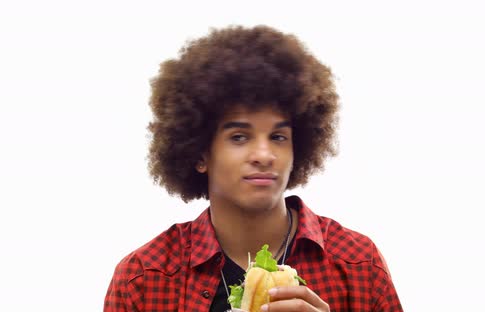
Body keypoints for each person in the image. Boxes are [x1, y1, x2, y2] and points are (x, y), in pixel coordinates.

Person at [104, 25, 403, 312]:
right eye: (239, 137)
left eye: (278, 137)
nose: (264, 154)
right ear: (199, 153)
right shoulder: (144, 278)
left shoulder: (358, 263)